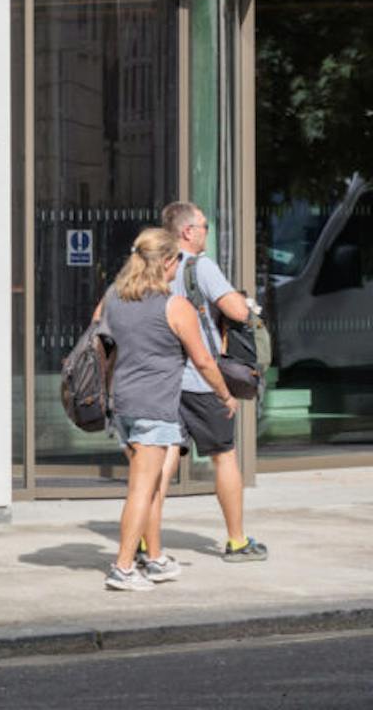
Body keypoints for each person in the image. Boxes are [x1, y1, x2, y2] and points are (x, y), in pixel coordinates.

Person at [98, 226, 237, 593]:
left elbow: (101, 342)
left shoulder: (114, 297)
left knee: (152, 484)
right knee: (142, 490)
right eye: (176, 261)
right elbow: (204, 361)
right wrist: (225, 394)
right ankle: (123, 567)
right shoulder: (174, 306)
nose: (178, 268)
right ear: (166, 263)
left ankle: (155, 559)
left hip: (123, 405)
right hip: (154, 407)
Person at [154, 199, 268, 561]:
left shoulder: (154, 265)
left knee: (164, 456)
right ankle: (237, 541)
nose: (207, 232)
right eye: (204, 226)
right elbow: (236, 311)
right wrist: (242, 302)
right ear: (188, 232)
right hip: (201, 379)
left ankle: (146, 540)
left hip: (163, 380)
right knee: (224, 456)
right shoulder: (199, 265)